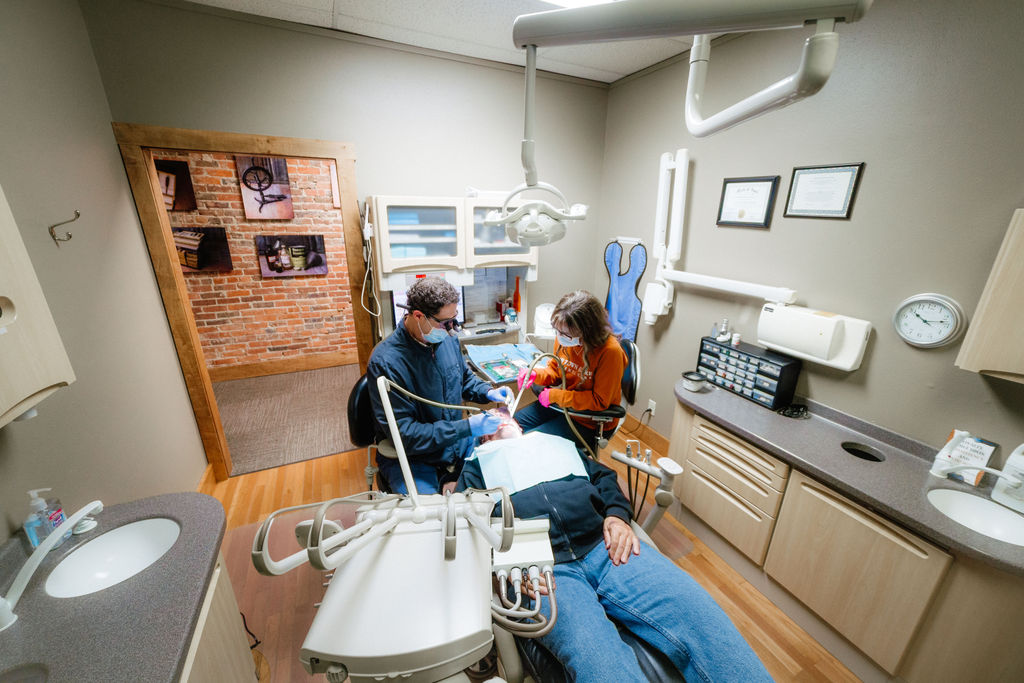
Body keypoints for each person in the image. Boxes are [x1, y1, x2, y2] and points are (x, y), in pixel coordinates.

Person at [457, 430, 774, 682]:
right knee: (600, 661)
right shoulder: (477, 466)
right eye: (491, 422)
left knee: (700, 617)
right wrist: (512, 565)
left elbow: (605, 479)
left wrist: (618, 516)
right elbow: (469, 527)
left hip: (607, 546)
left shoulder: (557, 444)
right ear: (483, 438)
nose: (500, 420)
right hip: (546, 572)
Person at [367, 277, 512, 494]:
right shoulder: (386, 363)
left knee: (498, 483)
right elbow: (406, 434)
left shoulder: (446, 339)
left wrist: (488, 392)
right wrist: (469, 427)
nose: (452, 330)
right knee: (432, 516)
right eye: (445, 323)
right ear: (418, 316)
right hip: (414, 457)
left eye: (455, 320)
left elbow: (464, 379)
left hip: (454, 444)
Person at [515, 290, 627, 453]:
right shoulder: (565, 337)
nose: (559, 337)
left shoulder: (610, 352)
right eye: (557, 331)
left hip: (589, 420)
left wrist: (555, 396)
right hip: (565, 407)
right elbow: (556, 371)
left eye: (564, 334)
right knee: (512, 425)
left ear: (587, 332)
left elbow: (599, 401)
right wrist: (535, 374)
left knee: (531, 443)